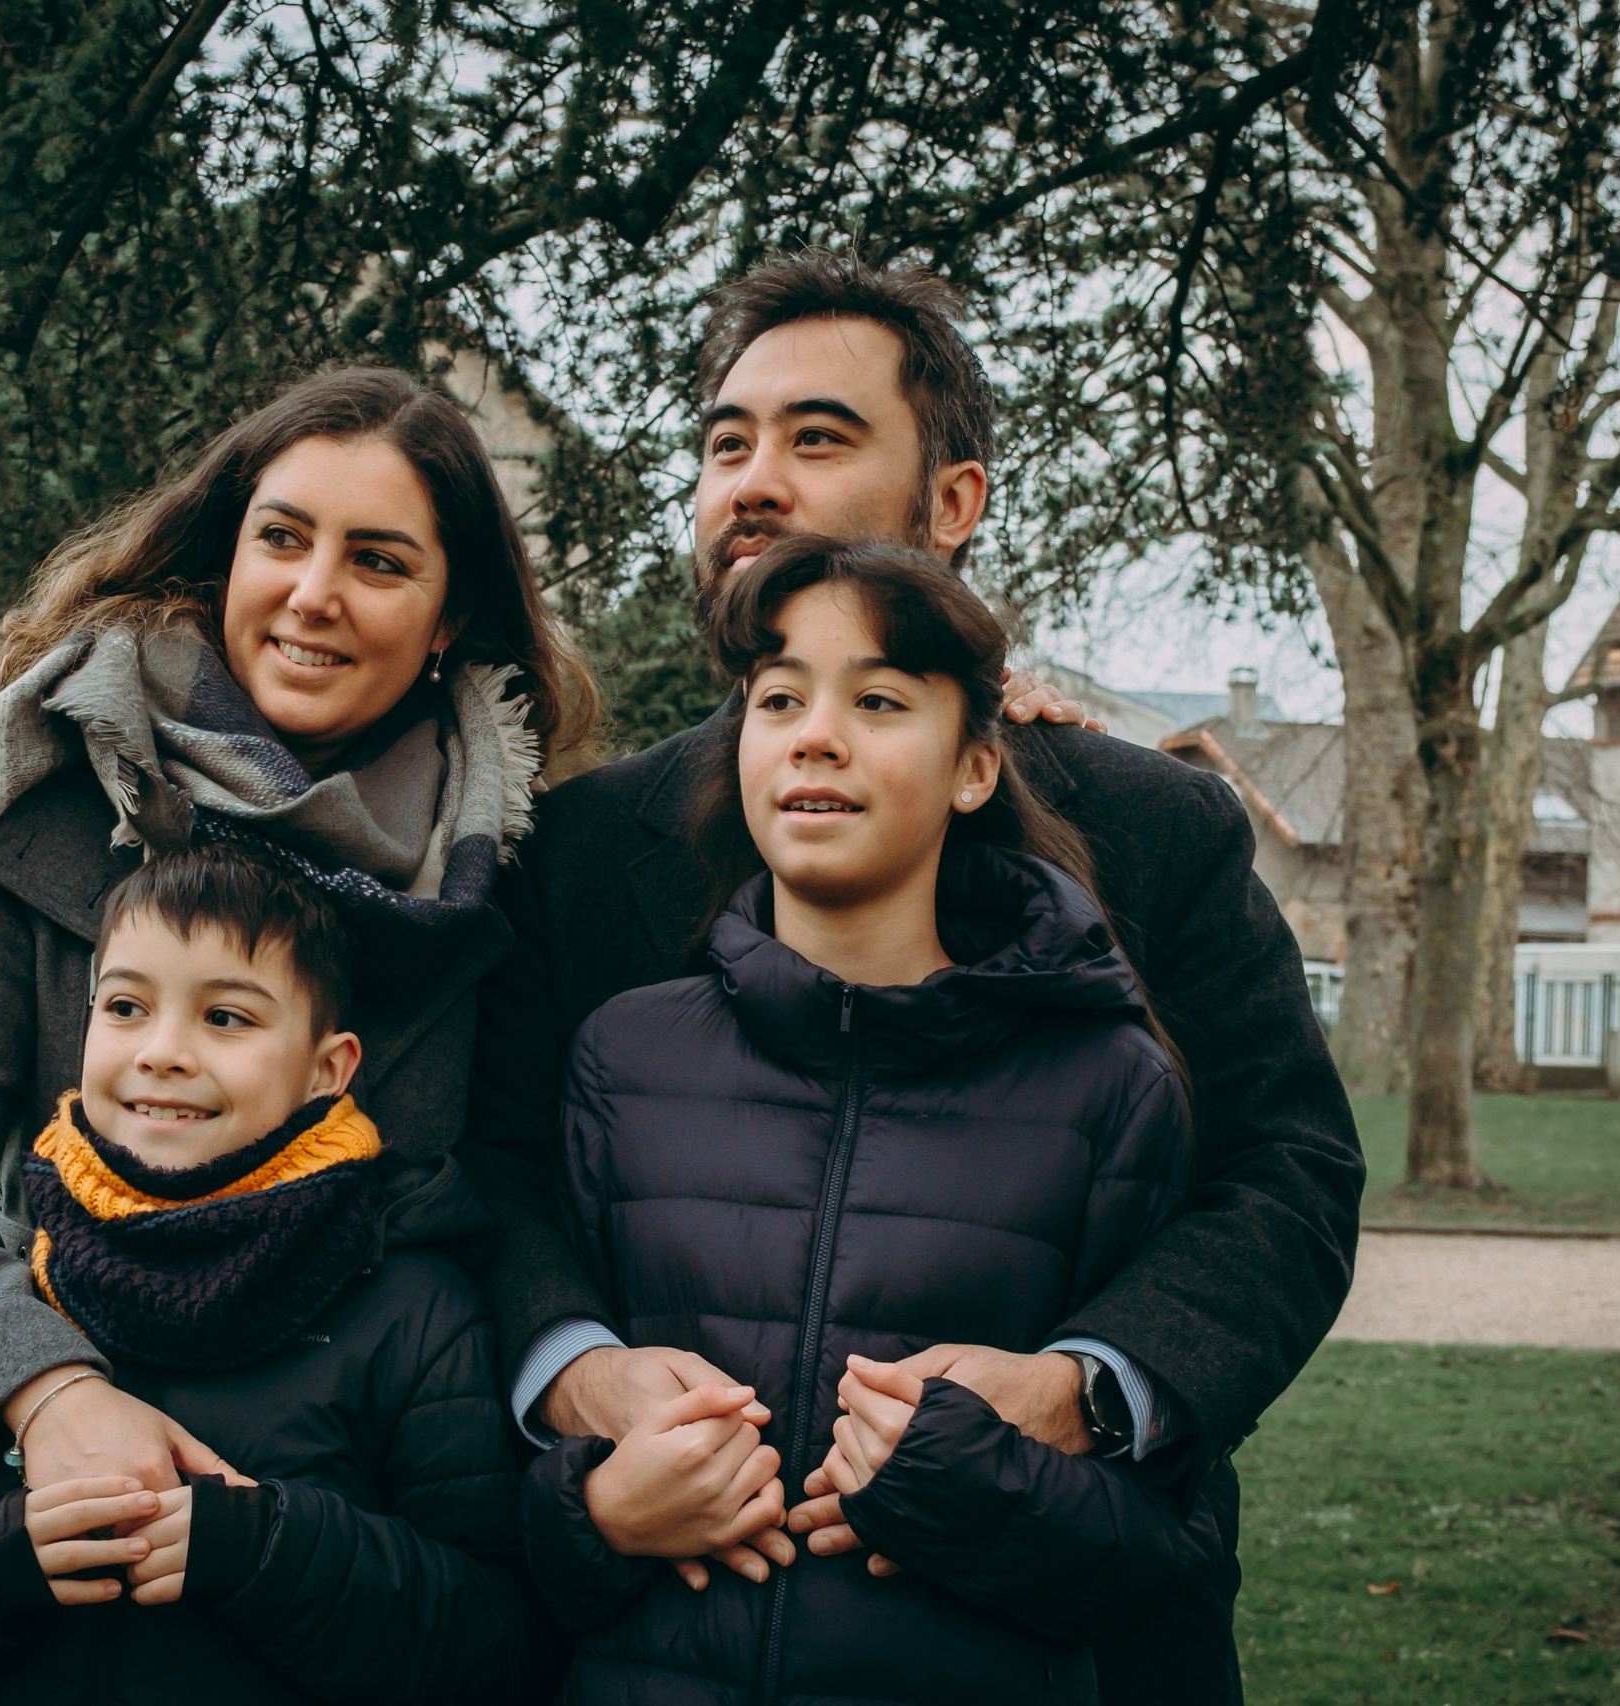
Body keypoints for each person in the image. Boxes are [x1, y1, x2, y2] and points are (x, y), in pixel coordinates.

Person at [463, 252, 1364, 1700]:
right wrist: (576, 1370)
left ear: (953, 505)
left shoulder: (1147, 826)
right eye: (725, 441)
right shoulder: (572, 849)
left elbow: (1289, 1175)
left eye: (817, 438)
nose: (753, 480)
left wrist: (1085, 1387)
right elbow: (494, 1173)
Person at [0, 365, 592, 1500]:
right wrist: (47, 1389)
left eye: (378, 560)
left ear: (450, 614)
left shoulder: (507, 871)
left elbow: (521, 1198)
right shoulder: (43, 806)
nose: (313, 592)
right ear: (230, 552)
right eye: (282, 537)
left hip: (366, 1520)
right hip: (61, 1487)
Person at [519, 537, 1229, 1704]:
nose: (815, 732)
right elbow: (505, 1509)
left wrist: (978, 1489)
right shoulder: (622, 1056)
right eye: (780, 697)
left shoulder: (1110, 1084)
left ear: (973, 767)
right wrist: (594, 1513)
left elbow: (1161, 1554)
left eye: (880, 699)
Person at [0, 843, 552, 1705]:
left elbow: (497, 1655)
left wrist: (268, 1548)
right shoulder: (16, 1300)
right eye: (125, 1006)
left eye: (226, 1018)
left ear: (328, 1069)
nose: (162, 1051)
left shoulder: (411, 1311)